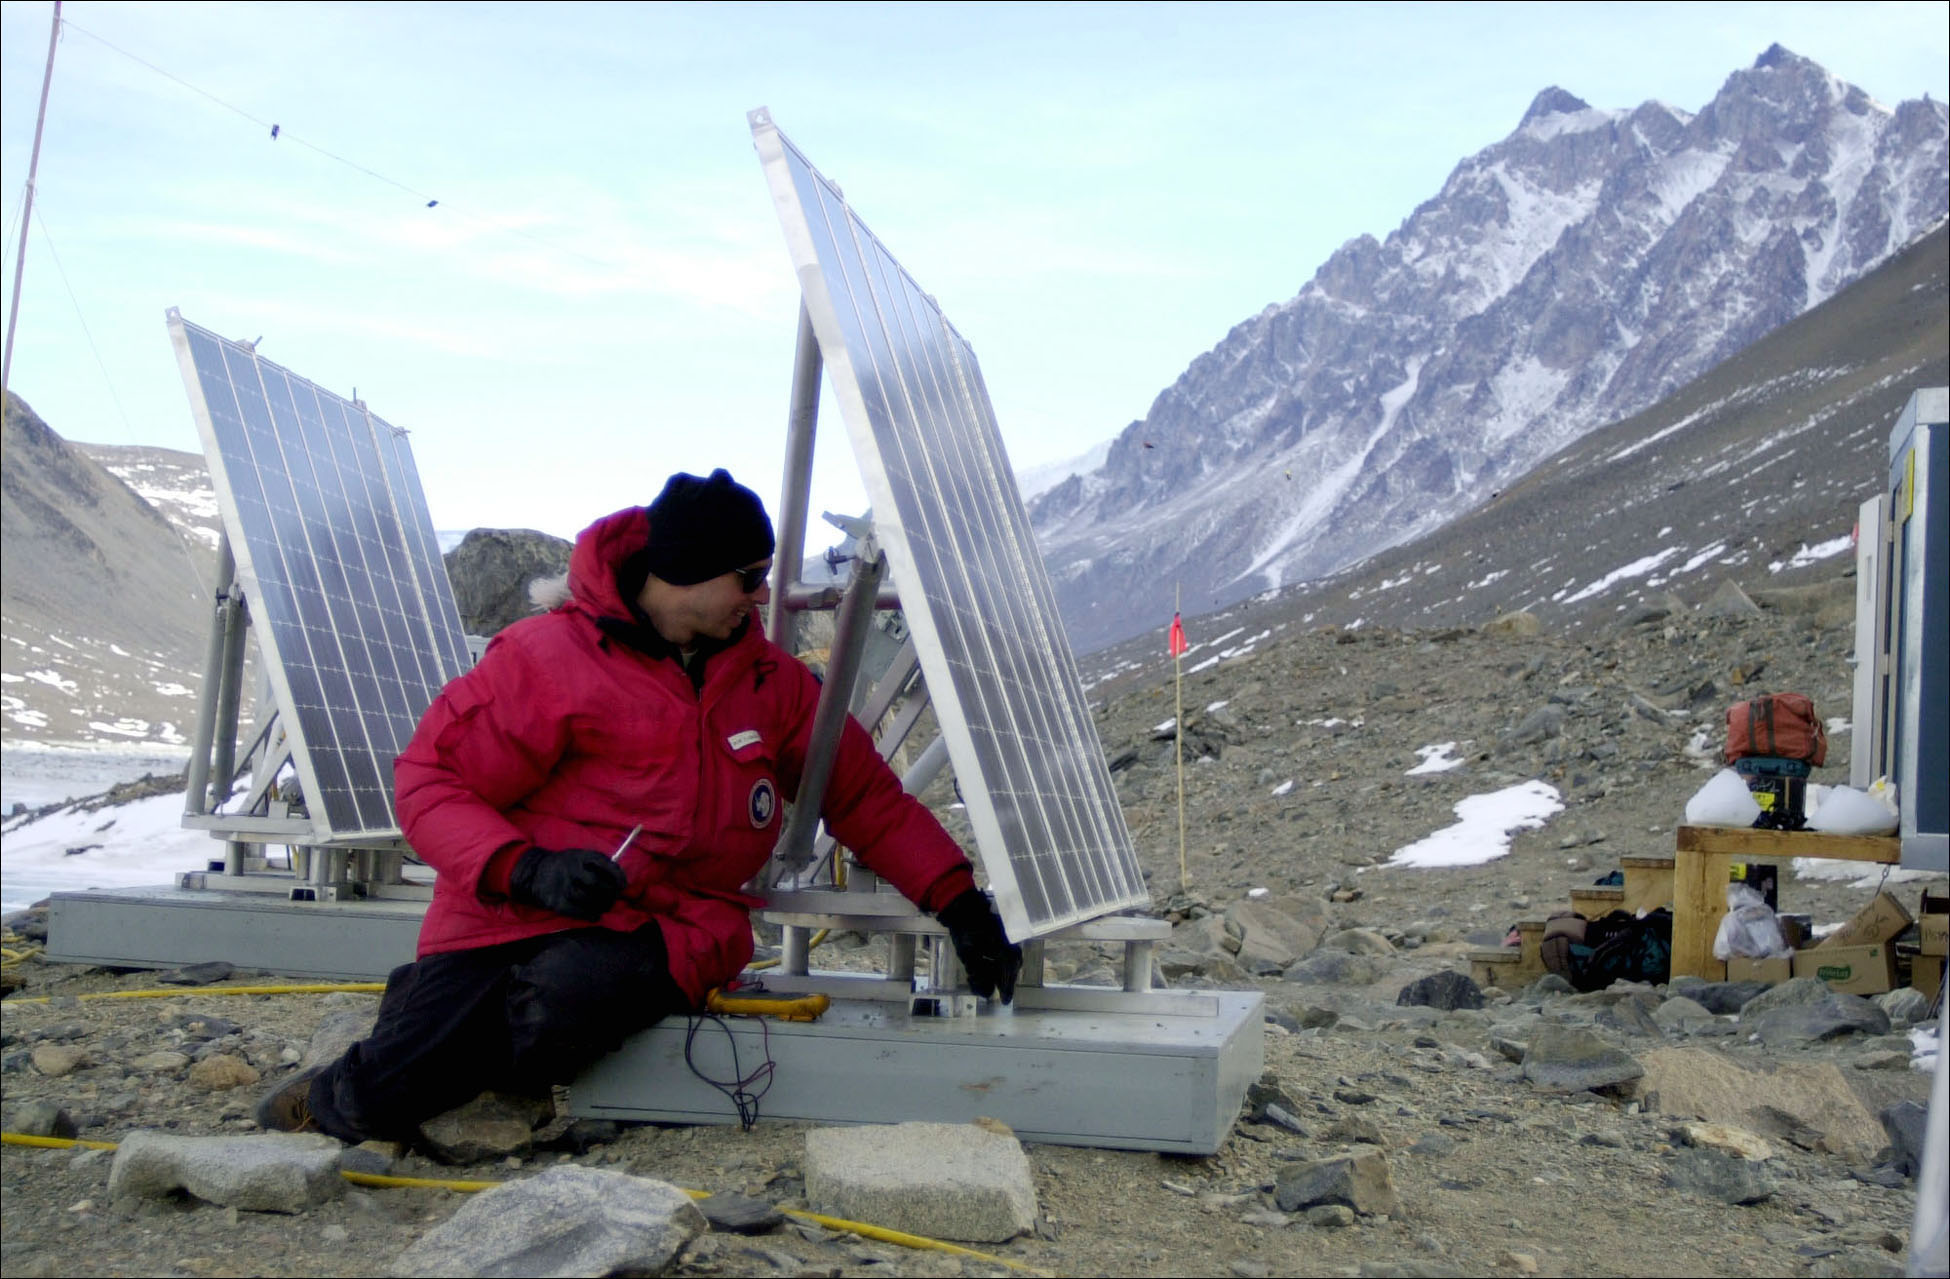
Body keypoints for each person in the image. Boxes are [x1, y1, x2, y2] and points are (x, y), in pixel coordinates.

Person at [256, 468, 1020, 1142]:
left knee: (559, 1005)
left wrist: (956, 899)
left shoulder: (771, 682)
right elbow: (431, 780)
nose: (761, 595)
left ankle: (436, 1039)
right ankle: (342, 1094)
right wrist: (526, 869)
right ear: (687, 572)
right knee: (392, 1087)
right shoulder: (547, 660)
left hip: (674, 924)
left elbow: (864, 796)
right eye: (748, 576)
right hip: (507, 908)